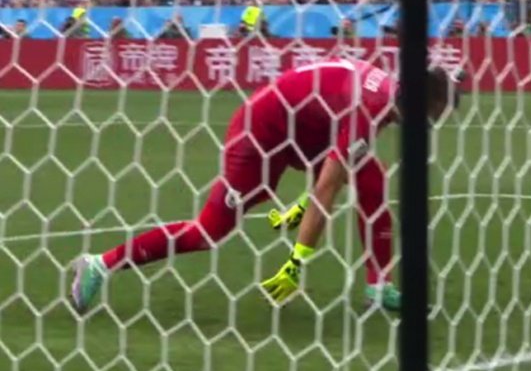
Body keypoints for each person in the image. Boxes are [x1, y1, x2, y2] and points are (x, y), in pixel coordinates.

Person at [70, 60, 459, 312]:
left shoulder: (390, 95)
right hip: (260, 134)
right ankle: (100, 264)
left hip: (304, 133)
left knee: (371, 182)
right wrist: (296, 263)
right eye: (433, 114)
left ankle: (379, 286)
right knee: (209, 231)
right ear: (422, 102)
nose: (432, 123)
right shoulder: (369, 111)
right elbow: (324, 191)